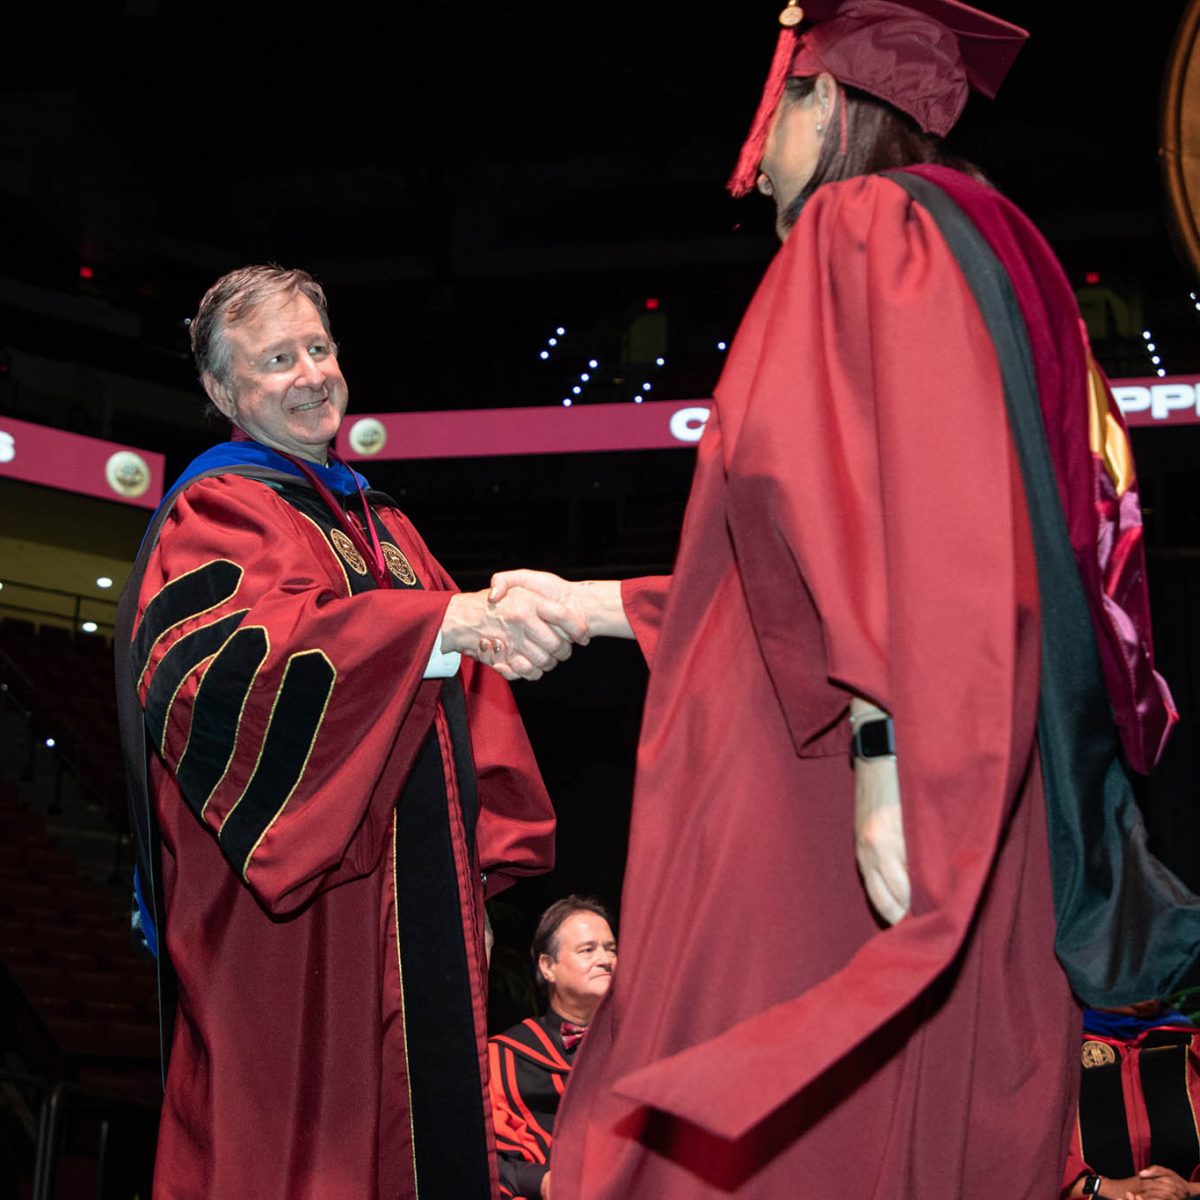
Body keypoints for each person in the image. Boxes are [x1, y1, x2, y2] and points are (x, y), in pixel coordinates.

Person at [486, 1, 1200, 1195]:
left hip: (842, 780)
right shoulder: (1005, 257)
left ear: (834, 105)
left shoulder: (865, 225)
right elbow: (792, 579)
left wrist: (887, 747)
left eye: (775, 118)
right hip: (979, 763)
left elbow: (862, 517)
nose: (756, 164)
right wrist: (589, 601)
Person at [114, 265, 587, 1200]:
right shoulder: (218, 511)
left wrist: (479, 881)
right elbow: (234, 684)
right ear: (222, 392)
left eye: (319, 349)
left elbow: (462, 708)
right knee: (298, 1147)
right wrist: (440, 627)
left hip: (412, 910)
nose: (309, 375)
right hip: (298, 916)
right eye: (276, 359)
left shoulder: (382, 521)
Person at [488, 897, 617, 1200]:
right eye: (588, 950)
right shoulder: (506, 1057)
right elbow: (482, 1157)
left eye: (611, 949)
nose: (605, 959)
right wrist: (542, 1182)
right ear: (548, 967)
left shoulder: (642, 1047)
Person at [1063, 1003, 1200, 1200]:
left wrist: (1184, 1189)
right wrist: (1105, 1187)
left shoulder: (1191, 1045)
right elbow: (1026, 1163)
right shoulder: (1053, 1051)